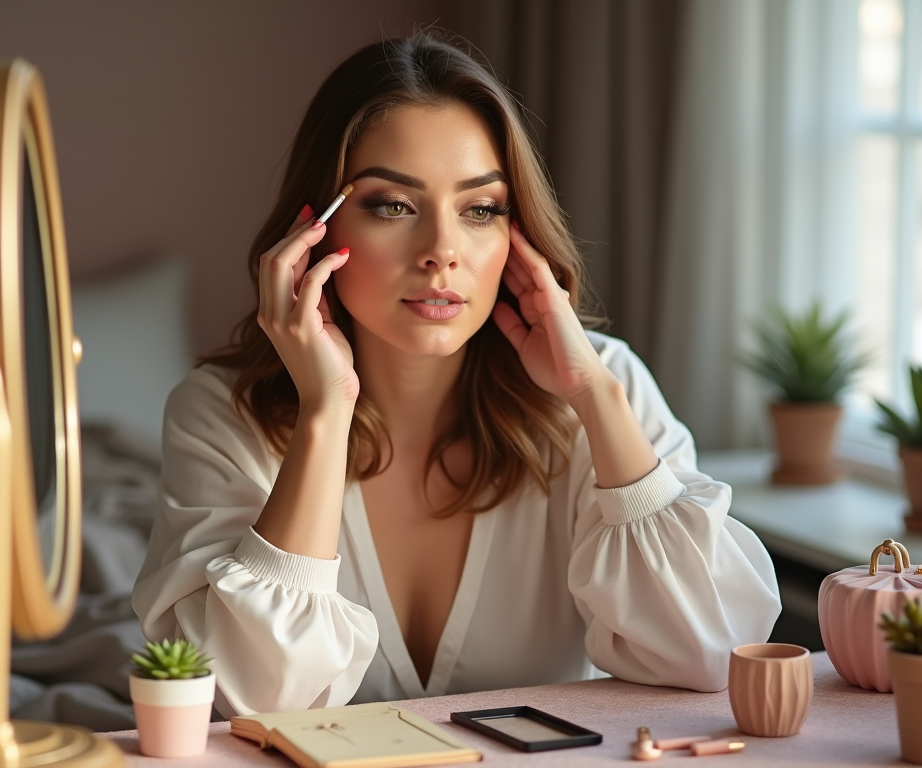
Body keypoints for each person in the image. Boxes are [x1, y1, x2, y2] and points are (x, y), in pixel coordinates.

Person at [132, 30, 781, 718]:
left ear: (516, 231)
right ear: (312, 231)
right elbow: (238, 700)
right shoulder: (221, 413)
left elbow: (714, 652)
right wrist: (326, 411)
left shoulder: (600, 386)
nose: (442, 251)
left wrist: (594, 397)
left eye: (480, 209)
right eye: (393, 205)